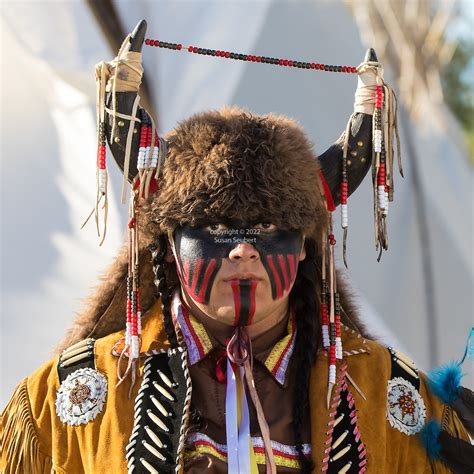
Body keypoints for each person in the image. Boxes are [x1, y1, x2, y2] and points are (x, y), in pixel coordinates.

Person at [1, 20, 472, 474]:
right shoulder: (66, 402)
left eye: (269, 227)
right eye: (216, 226)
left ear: (305, 248)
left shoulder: (386, 396)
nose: (243, 250)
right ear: (169, 245)